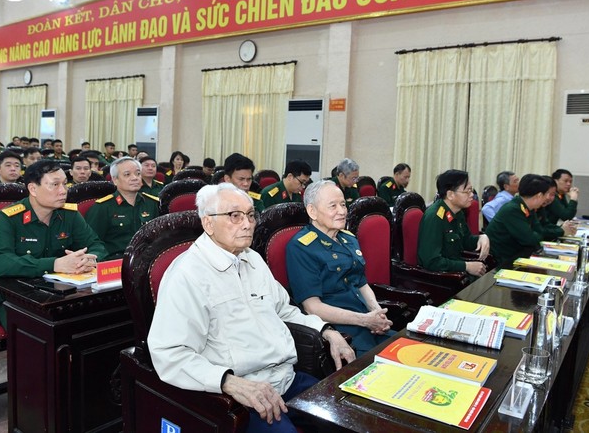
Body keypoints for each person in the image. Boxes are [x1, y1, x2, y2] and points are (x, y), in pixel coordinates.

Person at [148, 183, 354, 432]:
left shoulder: (252, 259)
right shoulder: (187, 274)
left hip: (286, 378)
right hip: (241, 396)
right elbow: (170, 354)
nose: (247, 224)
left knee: (346, 416)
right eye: (235, 216)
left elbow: (284, 311)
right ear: (208, 223)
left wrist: (326, 330)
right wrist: (228, 382)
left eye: (250, 215)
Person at [0, 160, 107, 327]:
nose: (63, 191)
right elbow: (1, 262)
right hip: (18, 296)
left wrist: (89, 259)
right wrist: (55, 264)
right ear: (33, 189)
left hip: (62, 295)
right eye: (55, 185)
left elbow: (97, 245)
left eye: (65, 184)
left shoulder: (70, 214)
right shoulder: (8, 218)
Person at [286, 179, 395, 356]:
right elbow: (313, 307)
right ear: (312, 211)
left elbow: (361, 283)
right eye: (333, 206)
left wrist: (377, 314)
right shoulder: (301, 247)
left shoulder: (349, 238)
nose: (342, 211)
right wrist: (366, 320)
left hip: (367, 321)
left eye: (343, 204)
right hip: (342, 331)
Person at [417, 170, 490, 279]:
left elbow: (465, 241)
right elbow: (431, 261)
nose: (472, 195)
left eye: (471, 190)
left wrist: (481, 238)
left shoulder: (457, 212)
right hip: (442, 279)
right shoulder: (435, 217)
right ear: (450, 194)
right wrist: (466, 266)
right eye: (467, 191)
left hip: (457, 273)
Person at [85, 157, 159, 259]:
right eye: (127, 174)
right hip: (114, 264)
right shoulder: (102, 207)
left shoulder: (152, 203)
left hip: (145, 261)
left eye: (138, 173)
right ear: (115, 180)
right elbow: (93, 243)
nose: (135, 178)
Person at [485, 174, 553, 267]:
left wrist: (536, 234)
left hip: (518, 255)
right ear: (539, 195)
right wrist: (535, 234)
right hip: (503, 261)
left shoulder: (527, 207)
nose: (547, 198)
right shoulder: (513, 209)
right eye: (547, 194)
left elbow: (539, 233)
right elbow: (531, 239)